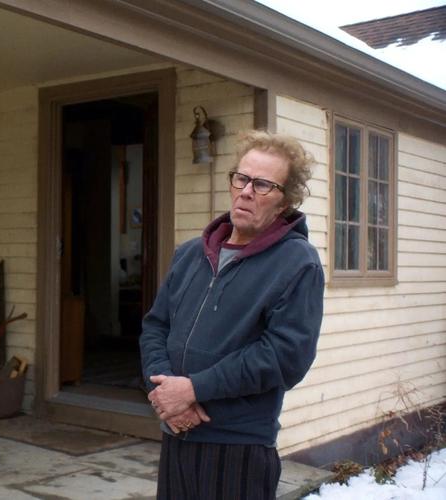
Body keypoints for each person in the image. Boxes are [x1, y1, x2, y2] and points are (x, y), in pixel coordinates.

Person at [140, 130, 324, 499]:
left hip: (238, 448)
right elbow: (155, 327)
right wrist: (165, 392)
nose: (246, 191)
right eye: (241, 178)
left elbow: (285, 356)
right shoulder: (190, 254)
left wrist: (194, 389)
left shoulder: (297, 263)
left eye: (263, 185)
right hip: (176, 434)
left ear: (285, 201)